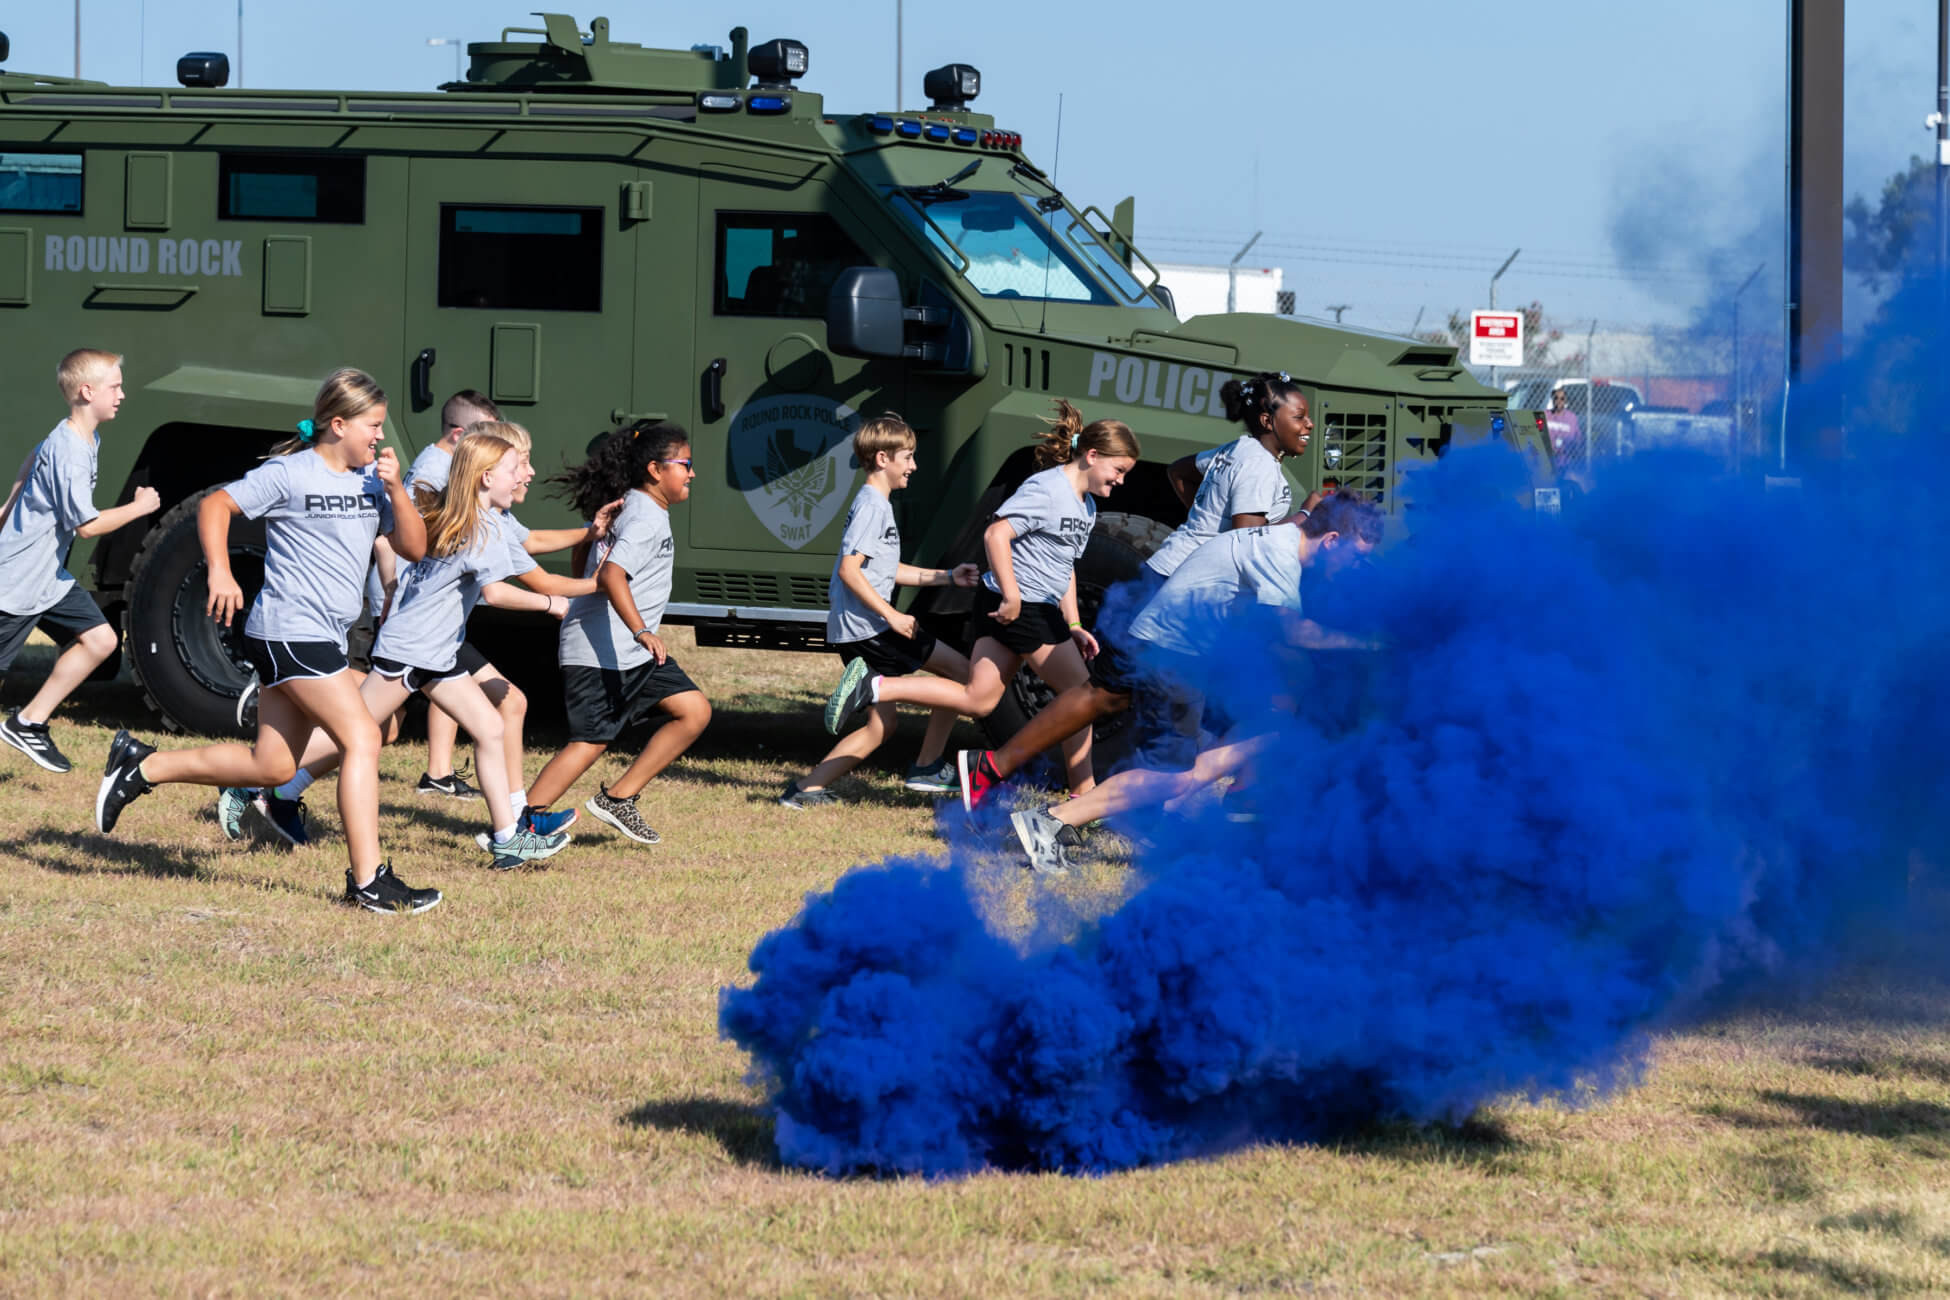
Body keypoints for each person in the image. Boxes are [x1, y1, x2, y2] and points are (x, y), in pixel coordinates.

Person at [95, 368, 445, 914]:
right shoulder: (290, 473)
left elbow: (416, 548)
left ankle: (142, 766)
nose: (379, 436)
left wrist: (397, 490)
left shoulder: (371, 483)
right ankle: (368, 881)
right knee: (363, 738)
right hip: (287, 630)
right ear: (337, 424)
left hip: (322, 637)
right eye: (372, 425)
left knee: (273, 768)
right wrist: (219, 571)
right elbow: (216, 507)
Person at [955, 371, 1314, 810]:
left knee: (1114, 695)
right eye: (1299, 416)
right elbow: (1249, 541)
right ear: (1267, 418)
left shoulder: (1238, 451)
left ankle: (1045, 781)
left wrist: (1197, 529)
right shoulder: (1258, 465)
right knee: (1113, 695)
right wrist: (1301, 522)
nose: (1308, 425)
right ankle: (1205, 798)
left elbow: (1180, 472)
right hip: (1182, 592)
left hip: (1167, 578)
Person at [224, 433, 577, 869]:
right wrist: (562, 600)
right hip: (410, 650)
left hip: (436, 652)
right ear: (487, 478)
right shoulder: (479, 527)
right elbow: (499, 592)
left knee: (488, 728)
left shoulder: (476, 519)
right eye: (513, 469)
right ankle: (259, 787)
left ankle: (507, 839)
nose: (523, 476)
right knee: (357, 732)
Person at [1007, 493, 1384, 874]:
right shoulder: (1281, 555)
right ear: (1333, 539)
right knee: (1172, 776)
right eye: (1357, 556)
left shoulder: (1282, 540)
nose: (1357, 567)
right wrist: (1369, 645)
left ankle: (1120, 817)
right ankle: (1052, 820)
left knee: (1202, 749)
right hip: (1173, 651)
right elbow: (1293, 630)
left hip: (1166, 643)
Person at [822, 401, 1140, 797]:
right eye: (1118, 471)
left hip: (1031, 606)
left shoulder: (1087, 505)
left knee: (979, 700)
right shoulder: (1048, 488)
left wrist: (1074, 624)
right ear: (1092, 456)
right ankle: (1083, 793)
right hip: (1022, 605)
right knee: (1084, 695)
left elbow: (1066, 568)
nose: (1121, 482)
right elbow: (996, 535)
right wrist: (1011, 596)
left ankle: (874, 688)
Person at [518, 422, 711, 845]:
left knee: (694, 710)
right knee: (590, 741)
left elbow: (587, 551)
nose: (692, 473)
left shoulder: (636, 506)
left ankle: (619, 798)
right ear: (656, 470)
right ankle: (520, 824)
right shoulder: (644, 516)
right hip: (602, 649)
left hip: (629, 652)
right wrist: (641, 629)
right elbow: (612, 574)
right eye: (686, 464)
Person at [779, 415, 980, 809]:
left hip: (856, 629)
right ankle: (927, 766)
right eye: (908, 457)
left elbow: (889, 570)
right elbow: (848, 571)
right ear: (884, 458)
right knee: (965, 675)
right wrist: (891, 615)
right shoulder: (872, 505)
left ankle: (806, 790)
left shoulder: (875, 503)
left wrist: (949, 577)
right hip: (871, 628)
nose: (914, 466)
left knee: (882, 726)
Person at [0, 349, 159, 772]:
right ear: (87, 392)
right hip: (15, 584)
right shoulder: (70, 446)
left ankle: (28, 722)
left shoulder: (80, 436)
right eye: (115, 387)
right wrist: (139, 507)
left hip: (47, 580)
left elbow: (32, 460)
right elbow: (86, 526)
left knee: (101, 640)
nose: (122, 394)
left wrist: (7, 507)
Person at [383, 389, 503, 800]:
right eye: (486, 438)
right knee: (373, 730)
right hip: (410, 625)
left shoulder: (452, 474)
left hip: (430, 631)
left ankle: (504, 830)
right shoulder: (434, 473)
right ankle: (268, 781)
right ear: (459, 436)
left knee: (489, 725)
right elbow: (399, 545)